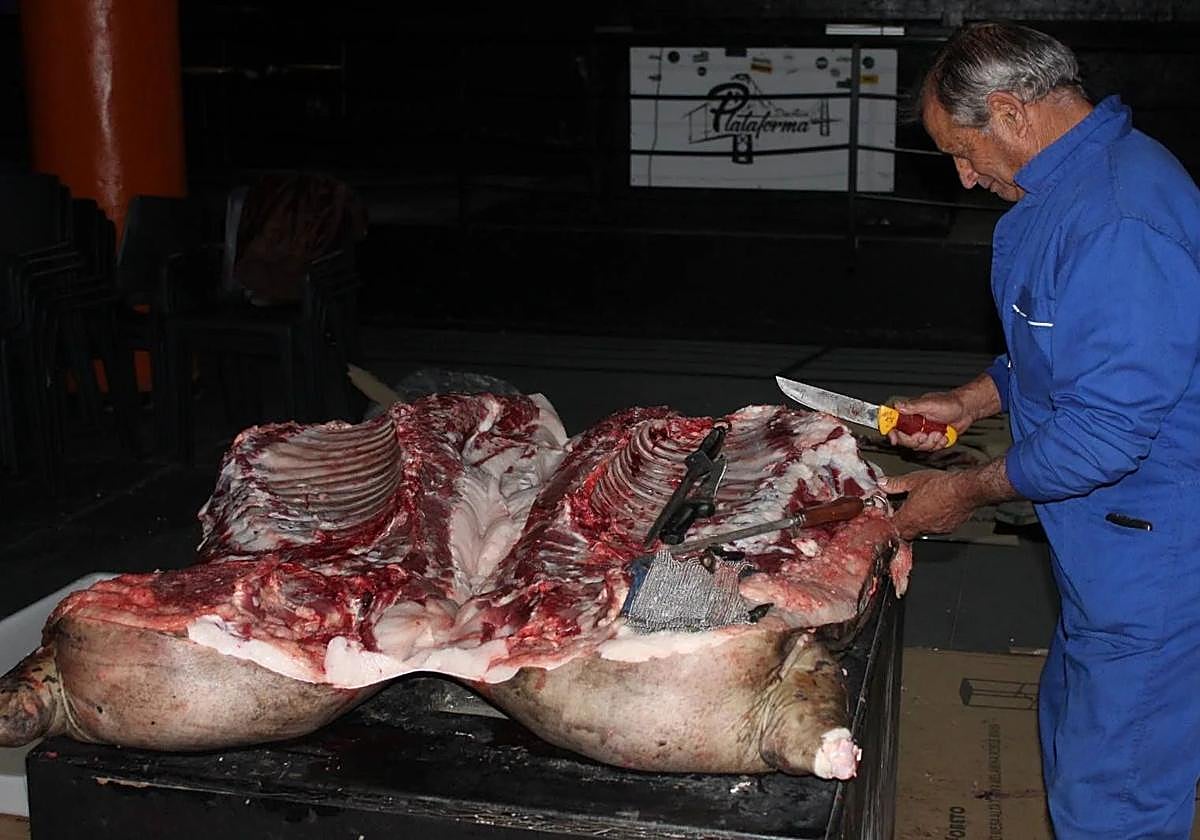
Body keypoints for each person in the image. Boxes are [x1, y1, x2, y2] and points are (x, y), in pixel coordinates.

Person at [880, 22, 1200, 839]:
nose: (961, 176)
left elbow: (1105, 430)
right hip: (1105, 538)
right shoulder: (1072, 189)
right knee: (1074, 722)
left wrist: (967, 492)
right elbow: (1059, 347)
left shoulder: (1119, 219)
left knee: (1114, 791)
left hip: (1155, 538)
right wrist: (970, 401)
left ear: (1012, 112)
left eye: (962, 150)